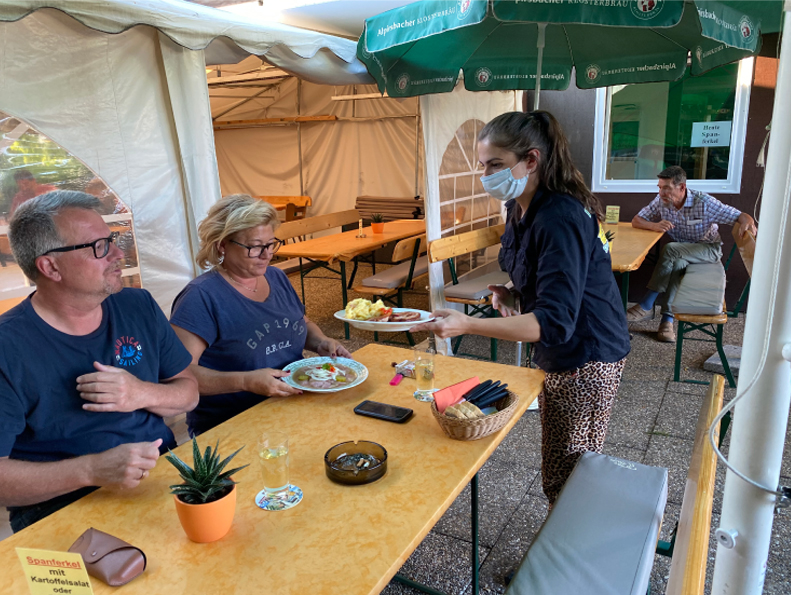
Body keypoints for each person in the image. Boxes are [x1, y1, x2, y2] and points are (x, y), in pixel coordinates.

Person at [412, 111, 631, 506]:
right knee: (559, 465)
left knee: (572, 475)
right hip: (562, 353)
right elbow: (543, 275)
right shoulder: (519, 206)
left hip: (586, 357)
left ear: (531, 160)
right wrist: (512, 292)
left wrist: (467, 325)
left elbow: (552, 323)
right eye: (482, 165)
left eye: (495, 165)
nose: (485, 176)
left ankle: (572, 542)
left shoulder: (559, 217)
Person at [0, 191, 198, 532]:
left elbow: (189, 392)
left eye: (112, 240)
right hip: (61, 506)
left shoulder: (137, 306)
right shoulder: (8, 347)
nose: (119, 254)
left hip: (160, 475)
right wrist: (90, 470)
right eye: (99, 247)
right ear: (50, 267)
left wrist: (140, 393)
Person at [170, 194, 351, 436]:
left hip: (292, 408)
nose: (267, 255)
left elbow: (300, 323)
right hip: (233, 425)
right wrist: (246, 382)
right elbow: (179, 373)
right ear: (222, 244)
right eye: (255, 247)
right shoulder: (201, 296)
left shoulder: (276, 277)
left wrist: (321, 342)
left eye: (270, 244)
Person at [627, 166, 757, 342]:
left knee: (671, 249)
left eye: (666, 188)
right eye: (659, 187)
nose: (661, 192)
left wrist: (748, 222)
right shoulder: (661, 200)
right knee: (677, 263)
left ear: (682, 187)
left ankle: (646, 304)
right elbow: (637, 220)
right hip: (682, 251)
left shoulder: (704, 203)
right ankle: (667, 321)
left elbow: (740, 215)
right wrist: (654, 225)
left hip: (708, 249)